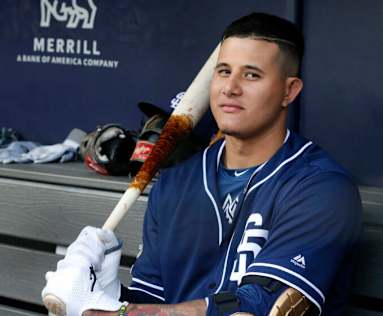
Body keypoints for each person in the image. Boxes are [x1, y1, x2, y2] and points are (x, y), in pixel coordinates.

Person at [42, 12, 362, 316]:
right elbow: (153, 301)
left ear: (289, 91)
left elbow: (262, 307)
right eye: (223, 71)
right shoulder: (174, 184)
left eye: (251, 75)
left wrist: (108, 312)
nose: (230, 88)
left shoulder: (322, 190)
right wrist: (105, 291)